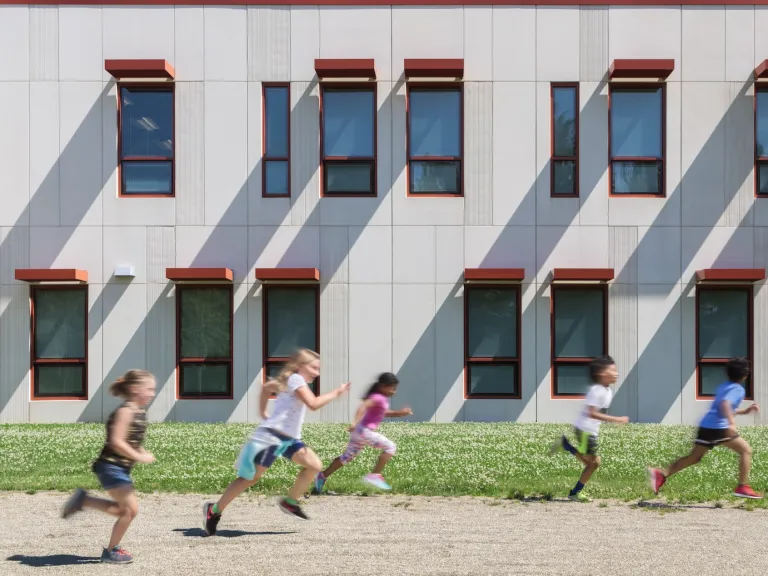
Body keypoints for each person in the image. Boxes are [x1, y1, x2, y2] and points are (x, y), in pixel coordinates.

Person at [202, 349, 349, 535]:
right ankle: (213, 511)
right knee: (250, 479)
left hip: (289, 438)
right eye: (314, 368)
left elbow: (266, 388)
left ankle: (290, 502)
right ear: (299, 366)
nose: (317, 373)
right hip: (271, 437)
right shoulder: (296, 379)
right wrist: (337, 392)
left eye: (318, 369)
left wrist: (264, 412)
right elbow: (313, 404)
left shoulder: (290, 381)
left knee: (314, 465)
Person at [61, 369, 157, 564]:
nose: (152, 393)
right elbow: (116, 441)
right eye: (149, 389)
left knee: (123, 511)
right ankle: (111, 551)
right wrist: (138, 456)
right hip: (110, 467)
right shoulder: (125, 412)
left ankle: (84, 500)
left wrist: (142, 451)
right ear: (134, 389)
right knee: (130, 510)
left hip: (119, 468)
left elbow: (132, 440)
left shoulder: (139, 413)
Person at [647, 357, 761, 499]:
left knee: (694, 457)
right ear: (745, 375)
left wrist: (745, 411)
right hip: (719, 428)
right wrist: (731, 422)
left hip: (706, 426)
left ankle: (662, 474)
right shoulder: (738, 389)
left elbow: (723, 406)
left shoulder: (723, 386)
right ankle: (742, 486)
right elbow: (725, 404)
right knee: (745, 450)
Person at [547, 355, 628, 502]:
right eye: (613, 370)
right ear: (602, 374)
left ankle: (565, 446)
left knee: (590, 463)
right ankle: (575, 493)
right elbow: (591, 413)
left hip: (587, 431)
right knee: (594, 463)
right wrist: (616, 419)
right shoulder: (597, 390)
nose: (616, 373)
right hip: (585, 432)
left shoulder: (607, 391)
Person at [314, 372, 412, 493]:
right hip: (365, 432)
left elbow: (383, 412)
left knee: (346, 458)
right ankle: (374, 475)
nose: (394, 391)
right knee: (391, 447)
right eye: (392, 388)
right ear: (383, 386)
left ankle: (322, 476)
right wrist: (354, 422)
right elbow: (363, 407)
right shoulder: (378, 397)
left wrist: (399, 413)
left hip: (359, 432)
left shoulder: (380, 398)